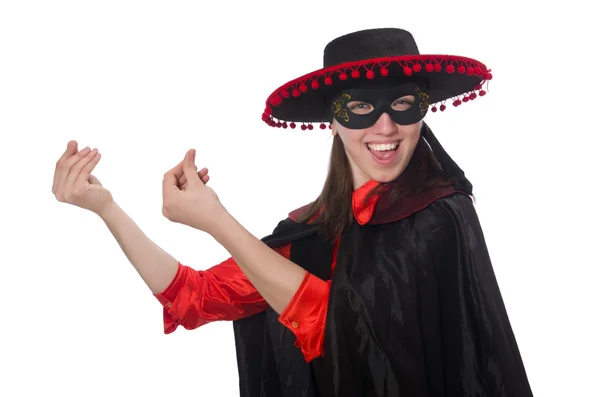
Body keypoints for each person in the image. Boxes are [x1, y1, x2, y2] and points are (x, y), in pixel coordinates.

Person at [52, 28, 533, 396]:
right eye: (361, 107)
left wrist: (219, 221)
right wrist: (106, 209)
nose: (386, 126)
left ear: (423, 110)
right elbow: (195, 297)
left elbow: (341, 331)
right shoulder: (311, 231)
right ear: (333, 121)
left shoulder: (438, 214)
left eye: (404, 104)